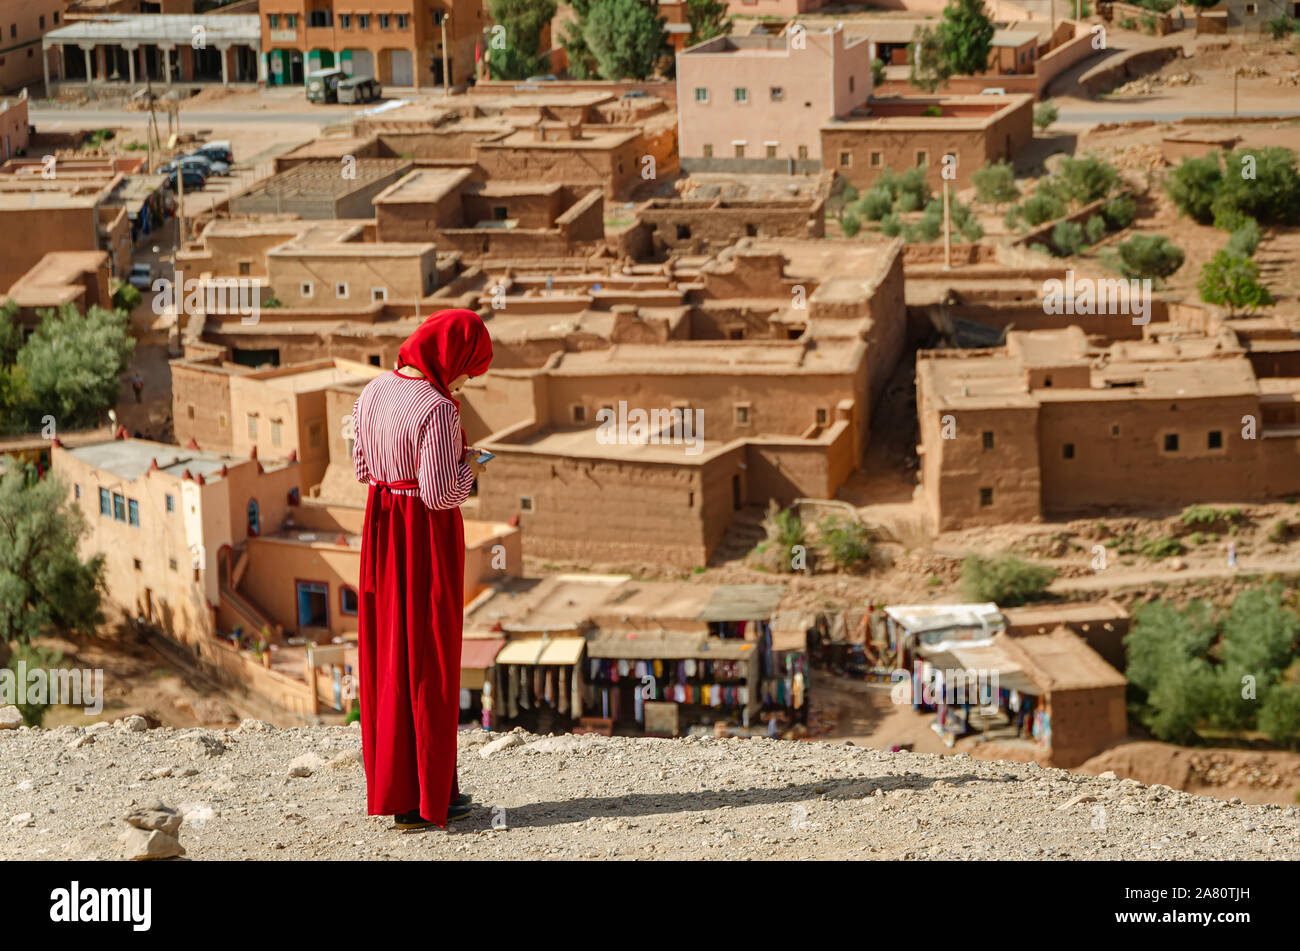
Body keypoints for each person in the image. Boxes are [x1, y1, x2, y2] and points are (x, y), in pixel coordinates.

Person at [352, 308, 493, 832]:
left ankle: (401, 790)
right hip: (424, 541)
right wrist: (471, 468)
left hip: (381, 531)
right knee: (430, 659)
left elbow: (362, 468)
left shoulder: (372, 391)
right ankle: (427, 798)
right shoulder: (436, 410)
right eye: (465, 369)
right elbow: (440, 494)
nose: (461, 381)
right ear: (448, 356)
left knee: (389, 656)